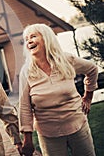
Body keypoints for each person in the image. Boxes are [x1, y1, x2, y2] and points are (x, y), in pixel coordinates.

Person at [19, 24, 98, 156]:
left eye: (33, 36)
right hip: (48, 134)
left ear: (46, 38)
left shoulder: (66, 59)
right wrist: (27, 139)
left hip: (78, 126)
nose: (29, 41)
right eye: (26, 39)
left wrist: (88, 97)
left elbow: (92, 69)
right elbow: (25, 106)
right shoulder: (26, 71)